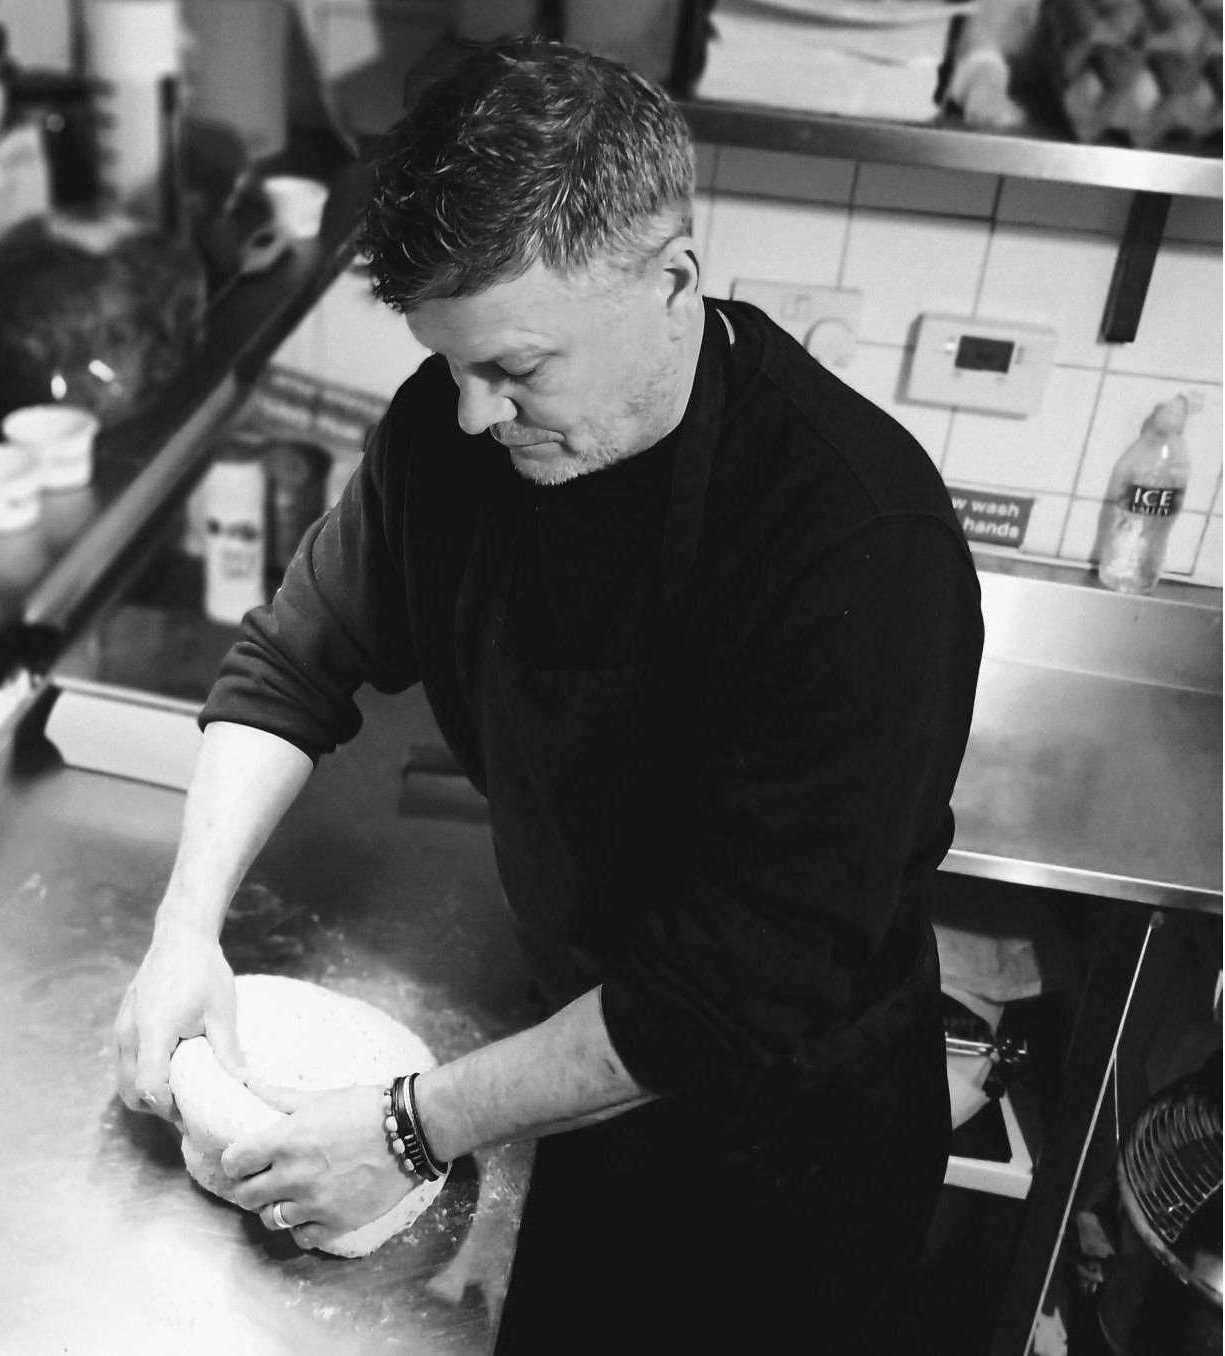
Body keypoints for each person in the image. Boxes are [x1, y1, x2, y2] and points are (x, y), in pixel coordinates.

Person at [116, 36, 984, 1352]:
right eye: (451, 365)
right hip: (558, 1059)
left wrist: (407, 1128)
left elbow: (719, 999)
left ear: (672, 282)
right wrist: (186, 930)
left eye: (517, 370)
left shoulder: (856, 546)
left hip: (785, 1153)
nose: (474, 414)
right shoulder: (451, 435)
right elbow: (293, 661)